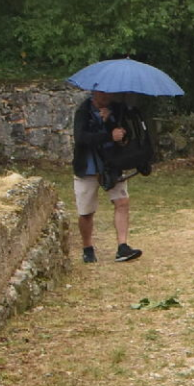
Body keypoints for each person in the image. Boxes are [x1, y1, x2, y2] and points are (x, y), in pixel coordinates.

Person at [71, 88, 144, 263]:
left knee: (122, 202)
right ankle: (87, 248)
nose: (107, 96)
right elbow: (81, 138)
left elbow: (124, 135)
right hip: (88, 168)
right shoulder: (83, 111)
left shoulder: (117, 110)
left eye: (109, 93)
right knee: (86, 212)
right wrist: (106, 133)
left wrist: (112, 123)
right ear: (94, 92)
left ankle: (122, 246)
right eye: (103, 93)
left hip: (112, 165)